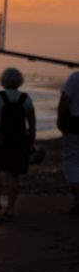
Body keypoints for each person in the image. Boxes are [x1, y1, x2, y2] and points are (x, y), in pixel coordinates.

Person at [0, 67, 36, 218]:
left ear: (2, 81)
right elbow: (32, 123)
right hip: (19, 141)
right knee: (13, 174)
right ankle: (10, 208)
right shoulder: (26, 99)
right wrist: (31, 143)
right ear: (20, 81)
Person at [58, 70, 79, 215]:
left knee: (71, 161)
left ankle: (78, 200)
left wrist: (60, 120)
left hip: (75, 124)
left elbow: (65, 100)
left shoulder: (75, 77)